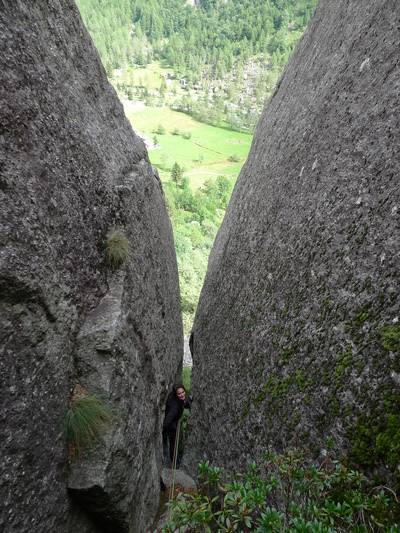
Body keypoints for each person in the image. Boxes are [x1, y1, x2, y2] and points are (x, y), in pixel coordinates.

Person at [162, 384, 193, 466]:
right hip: (171, 425)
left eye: (183, 392)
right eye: (179, 394)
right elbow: (166, 423)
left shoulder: (174, 396)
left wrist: (188, 401)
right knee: (173, 443)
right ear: (176, 395)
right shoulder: (174, 409)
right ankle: (174, 461)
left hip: (173, 421)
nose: (182, 394)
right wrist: (172, 426)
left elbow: (182, 403)